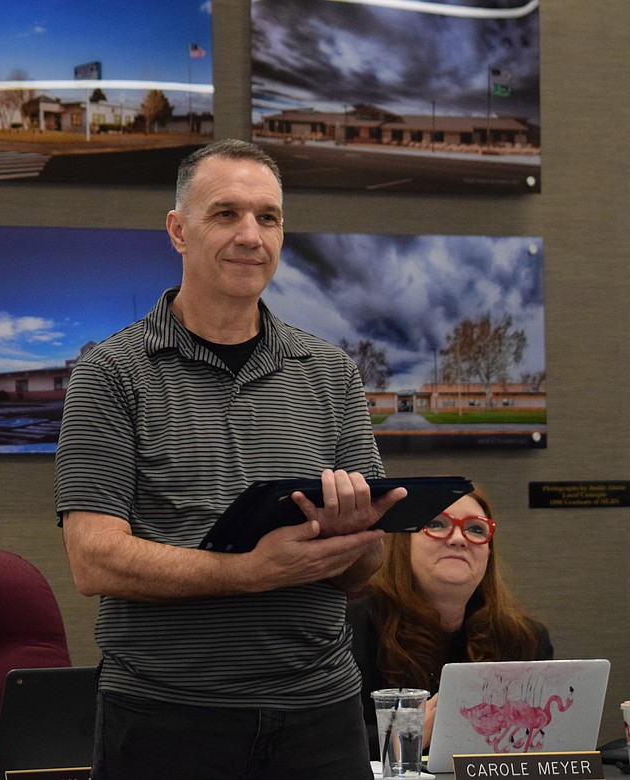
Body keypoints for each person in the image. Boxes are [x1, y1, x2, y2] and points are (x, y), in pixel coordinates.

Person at [53, 138, 406, 780]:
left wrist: (353, 536)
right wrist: (250, 572)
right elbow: (92, 558)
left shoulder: (329, 371)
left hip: (321, 713)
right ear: (178, 230)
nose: (251, 234)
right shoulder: (110, 373)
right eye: (226, 214)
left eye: (267, 217)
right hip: (166, 718)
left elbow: (369, 568)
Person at [347, 487, 553, 756]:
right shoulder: (352, 629)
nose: (458, 539)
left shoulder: (524, 639)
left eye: (476, 530)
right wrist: (406, 734)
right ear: (403, 543)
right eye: (436, 524)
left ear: (488, 555)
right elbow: (323, 743)